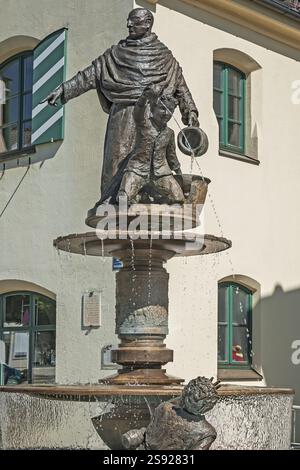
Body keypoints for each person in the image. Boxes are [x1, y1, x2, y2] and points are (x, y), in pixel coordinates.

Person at [43, 8, 199, 204]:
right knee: (115, 163)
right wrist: (64, 90)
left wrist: (190, 111)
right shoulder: (116, 54)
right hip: (123, 117)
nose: (128, 25)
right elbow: (89, 76)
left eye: (134, 21)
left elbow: (180, 87)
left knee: (155, 161)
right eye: (128, 21)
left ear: (148, 23)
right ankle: (113, 205)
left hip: (154, 117)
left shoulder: (165, 57)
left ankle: (150, 203)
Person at [117, 84, 184, 205]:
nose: (166, 113)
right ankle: (138, 197)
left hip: (160, 174)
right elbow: (138, 112)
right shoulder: (144, 123)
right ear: (153, 109)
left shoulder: (169, 133)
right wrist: (144, 97)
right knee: (123, 199)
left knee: (178, 198)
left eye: (170, 111)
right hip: (137, 170)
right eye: (162, 109)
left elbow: (171, 155)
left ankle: (150, 198)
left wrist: (179, 172)